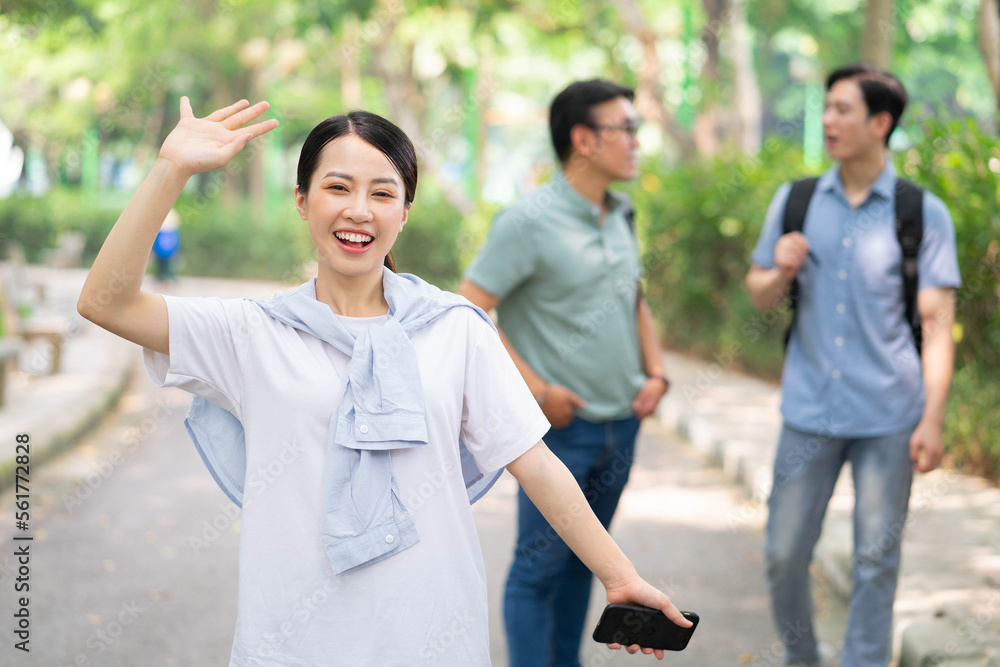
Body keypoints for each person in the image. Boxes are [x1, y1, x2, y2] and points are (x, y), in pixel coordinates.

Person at [77, 96, 690, 666]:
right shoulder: (251, 333)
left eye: (382, 192)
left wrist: (618, 575)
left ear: (404, 212)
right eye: (336, 187)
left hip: (432, 636)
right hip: (292, 641)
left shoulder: (456, 329)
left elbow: (535, 463)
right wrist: (171, 170)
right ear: (302, 200)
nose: (358, 210)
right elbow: (107, 304)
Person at [745, 64, 961, 667]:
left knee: (875, 558)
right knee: (784, 551)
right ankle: (802, 657)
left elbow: (939, 329)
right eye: (828, 108)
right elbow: (758, 293)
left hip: (889, 415)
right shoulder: (797, 200)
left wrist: (933, 420)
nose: (830, 121)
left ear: (880, 122)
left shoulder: (922, 213)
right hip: (808, 410)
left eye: (842, 109)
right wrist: (778, 269)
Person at [458, 79, 672, 667]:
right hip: (560, 430)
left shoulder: (622, 211)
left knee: (592, 564)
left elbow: (634, 297)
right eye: (624, 128)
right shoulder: (528, 220)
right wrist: (537, 390)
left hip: (621, 423)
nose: (635, 141)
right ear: (582, 139)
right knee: (537, 570)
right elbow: (470, 311)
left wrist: (655, 372)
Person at [152, 207, 181, 282]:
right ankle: (164, 279)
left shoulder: (170, 216)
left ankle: (165, 279)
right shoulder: (171, 231)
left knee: (165, 265)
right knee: (164, 265)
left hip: (164, 248)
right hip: (163, 247)